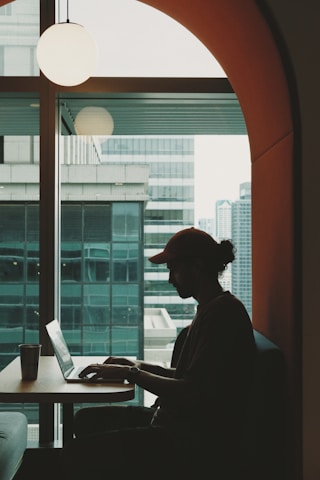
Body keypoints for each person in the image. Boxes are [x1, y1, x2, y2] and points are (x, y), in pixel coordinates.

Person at [61, 227, 256, 480]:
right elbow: (184, 375)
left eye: (173, 268)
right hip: (174, 424)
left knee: (76, 454)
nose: (170, 279)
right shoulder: (212, 309)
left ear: (195, 266)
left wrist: (130, 373)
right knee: (85, 419)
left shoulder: (223, 315)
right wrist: (133, 365)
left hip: (186, 442)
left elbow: (190, 391)